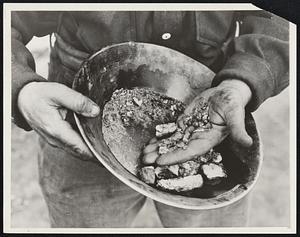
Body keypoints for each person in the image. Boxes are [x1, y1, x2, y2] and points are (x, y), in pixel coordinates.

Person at [11, 10, 289, 227]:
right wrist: (21, 88)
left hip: (213, 114)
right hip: (80, 119)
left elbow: (281, 18)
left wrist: (245, 81)